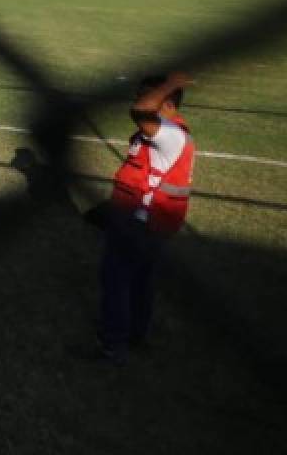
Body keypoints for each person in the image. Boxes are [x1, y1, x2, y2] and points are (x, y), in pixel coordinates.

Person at [97, 73, 196, 366]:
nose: (137, 101)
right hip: (146, 223)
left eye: (144, 95)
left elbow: (140, 111)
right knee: (141, 282)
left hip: (139, 225)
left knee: (116, 281)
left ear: (165, 103)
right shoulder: (162, 131)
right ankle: (136, 335)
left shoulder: (169, 133)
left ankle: (113, 346)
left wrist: (169, 85)